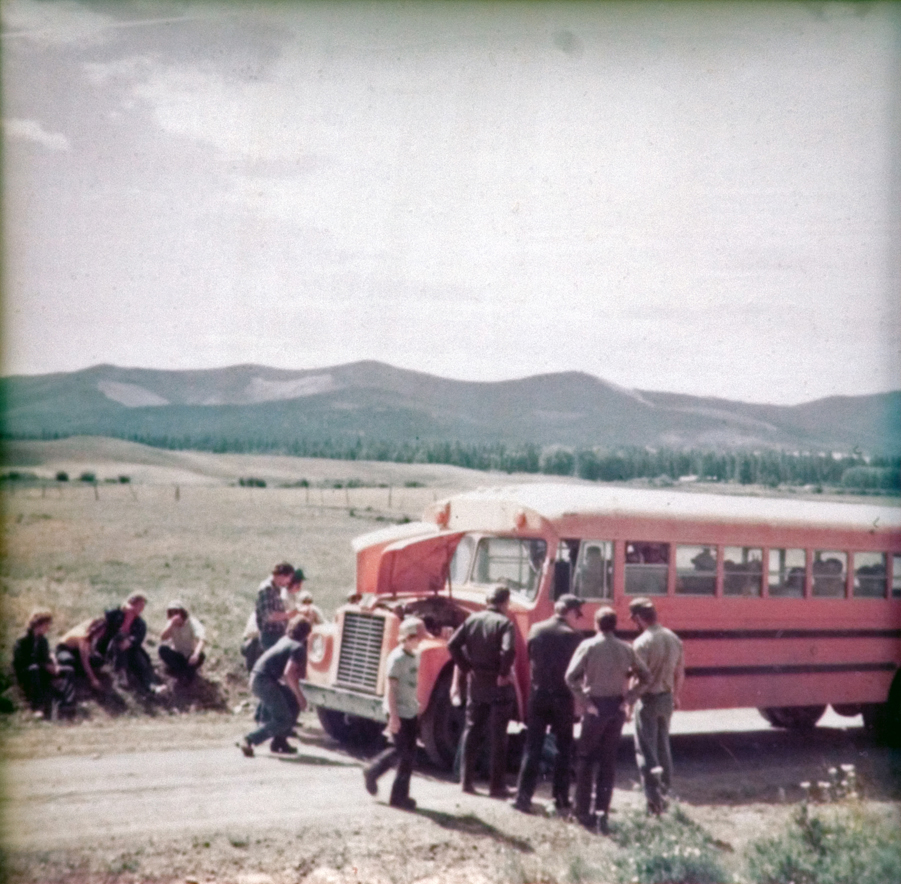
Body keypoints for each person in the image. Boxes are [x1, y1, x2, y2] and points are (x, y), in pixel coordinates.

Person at [565, 606, 650, 833]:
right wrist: (628, 699)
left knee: (585, 759)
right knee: (608, 762)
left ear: (596, 624)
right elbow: (646, 677)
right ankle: (602, 813)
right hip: (616, 707)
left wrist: (586, 702)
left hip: (595, 707)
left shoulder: (588, 646)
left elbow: (570, 677)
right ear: (615, 625)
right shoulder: (626, 648)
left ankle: (582, 811)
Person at [513, 594, 585, 814]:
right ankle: (560, 799)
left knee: (532, 747)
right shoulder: (575, 637)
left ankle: (523, 797)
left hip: (538, 695)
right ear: (571, 612)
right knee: (564, 749)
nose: (578, 619)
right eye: (578, 614)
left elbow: (529, 658)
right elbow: (578, 673)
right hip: (563, 698)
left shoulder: (536, 630)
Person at [447, 584, 516, 798]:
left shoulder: (472, 620)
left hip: (477, 683)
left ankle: (466, 782)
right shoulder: (505, 624)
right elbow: (509, 650)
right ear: (505, 602)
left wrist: (467, 666)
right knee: (498, 736)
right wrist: (504, 673)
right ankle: (497, 786)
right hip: (498, 686)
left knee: (472, 732)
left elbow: (452, 644)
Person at [628, 597, 685, 815]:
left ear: (638, 619)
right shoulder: (673, 638)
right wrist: (676, 696)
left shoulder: (641, 643)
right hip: (667, 698)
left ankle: (653, 801)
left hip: (648, 699)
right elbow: (680, 672)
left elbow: (637, 677)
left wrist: (629, 701)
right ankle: (666, 792)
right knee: (663, 747)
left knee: (646, 750)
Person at [363, 617, 426, 810]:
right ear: (408, 637)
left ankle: (378, 775)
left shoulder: (414, 655)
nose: (420, 641)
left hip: (410, 710)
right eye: (418, 637)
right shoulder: (396, 658)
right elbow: (391, 688)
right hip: (398, 711)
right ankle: (394, 792)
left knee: (406, 752)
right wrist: (394, 716)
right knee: (404, 753)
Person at [237, 616, 311, 757]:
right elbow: (289, 673)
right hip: (264, 681)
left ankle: (279, 742)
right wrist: (301, 697)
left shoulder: (285, 640)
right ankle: (249, 739)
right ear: (306, 634)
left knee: (292, 703)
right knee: (283, 719)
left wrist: (294, 696)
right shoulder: (298, 647)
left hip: (259, 678)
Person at [13, 609, 75, 718]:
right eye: (47, 624)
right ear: (39, 624)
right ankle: (37, 706)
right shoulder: (22, 640)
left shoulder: (43, 641)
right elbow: (21, 662)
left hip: (41, 669)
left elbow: (46, 657)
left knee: (69, 670)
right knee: (34, 668)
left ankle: (66, 704)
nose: (48, 628)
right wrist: (44, 665)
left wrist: (53, 666)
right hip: (28, 673)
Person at [97, 593, 162, 696]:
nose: (141, 609)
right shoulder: (117, 614)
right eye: (139, 605)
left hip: (129, 651)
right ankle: (121, 674)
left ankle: (152, 686)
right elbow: (106, 613)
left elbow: (138, 639)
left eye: (143, 606)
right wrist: (121, 607)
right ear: (132, 603)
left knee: (141, 660)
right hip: (110, 649)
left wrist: (130, 641)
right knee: (120, 638)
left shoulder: (140, 623)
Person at [55, 616, 107, 691]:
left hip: (75, 649)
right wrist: (93, 679)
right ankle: (62, 671)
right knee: (69, 661)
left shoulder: (90, 627)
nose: (102, 634)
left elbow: (90, 649)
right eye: (101, 632)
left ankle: (78, 670)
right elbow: (85, 661)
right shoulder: (84, 638)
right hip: (63, 648)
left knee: (98, 660)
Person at [158, 601, 206, 678]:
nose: (174, 616)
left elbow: (202, 640)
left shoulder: (192, 623)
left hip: (191, 655)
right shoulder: (171, 623)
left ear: (182, 613)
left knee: (201, 656)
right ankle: (180, 671)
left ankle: (188, 672)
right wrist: (171, 625)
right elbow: (163, 637)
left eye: (176, 612)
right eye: (171, 613)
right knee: (162, 649)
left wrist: (196, 654)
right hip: (178, 654)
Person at [255, 562, 296, 651]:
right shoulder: (266, 589)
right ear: (282, 575)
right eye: (289, 578)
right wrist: (290, 614)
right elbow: (268, 616)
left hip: (278, 635)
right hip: (270, 637)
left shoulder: (276, 589)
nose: (289, 582)